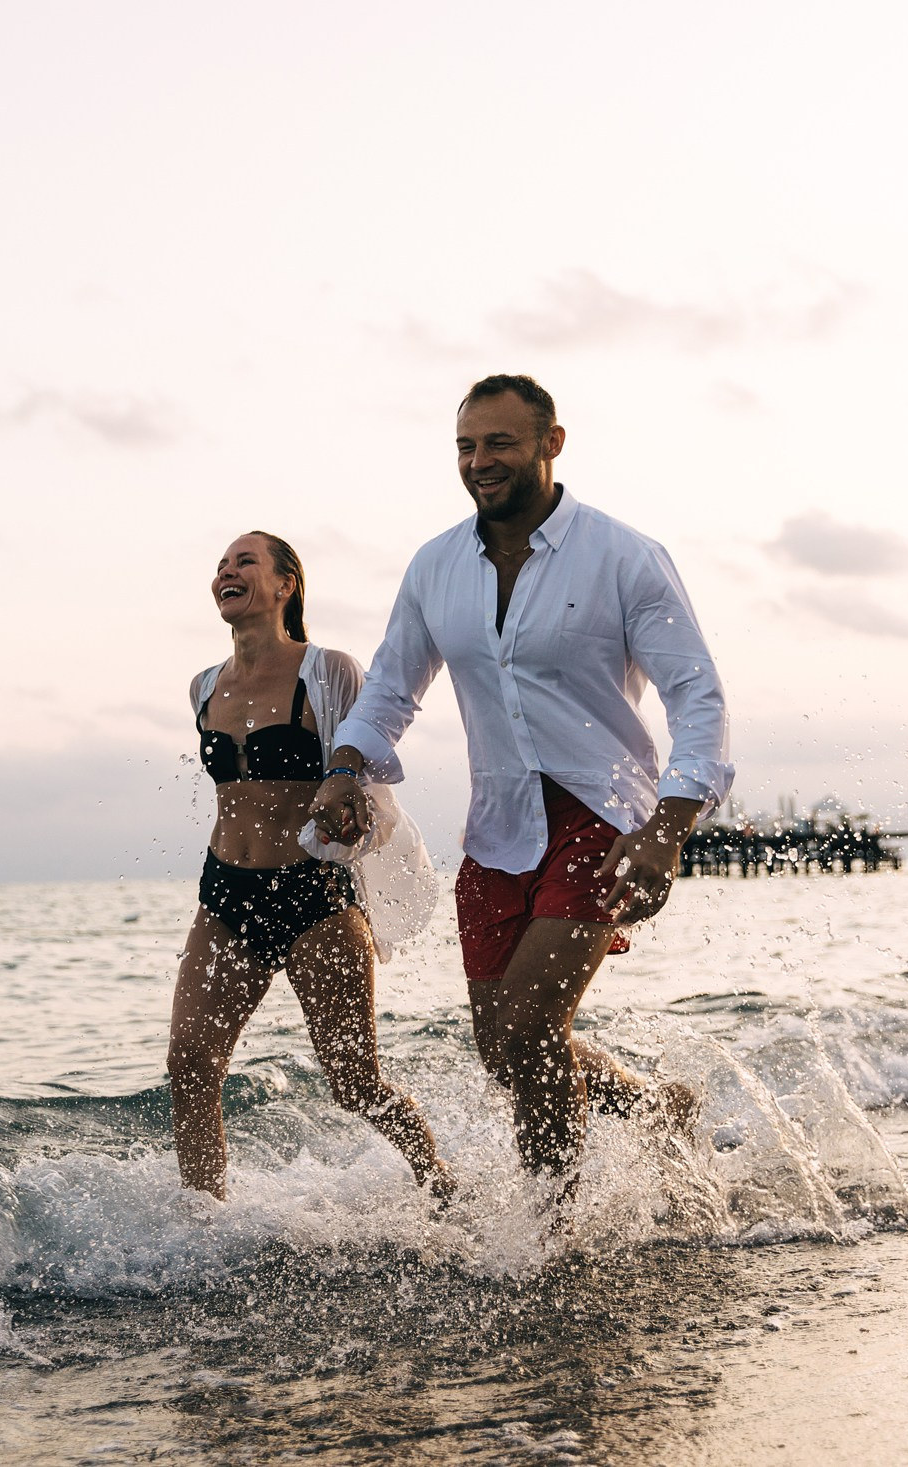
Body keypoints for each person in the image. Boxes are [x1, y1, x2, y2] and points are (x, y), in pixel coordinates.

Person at [309, 375, 733, 1176]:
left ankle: (550, 1226)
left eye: (499, 442)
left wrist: (669, 827)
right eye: (466, 446)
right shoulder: (435, 566)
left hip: (603, 816)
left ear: (551, 443)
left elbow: (697, 697)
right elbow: (390, 688)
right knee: (503, 1047)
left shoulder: (624, 556)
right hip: (499, 826)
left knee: (532, 1028)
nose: (480, 461)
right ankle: (655, 1106)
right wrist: (344, 766)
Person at [170, 531, 455, 1201]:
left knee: (355, 1083)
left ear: (285, 585)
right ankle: (203, 1227)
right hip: (225, 893)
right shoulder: (204, 686)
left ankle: (437, 1179)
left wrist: (349, 818)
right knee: (190, 1065)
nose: (227, 571)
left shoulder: (328, 672)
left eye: (245, 561)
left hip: (314, 895)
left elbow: (366, 781)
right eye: (221, 565)